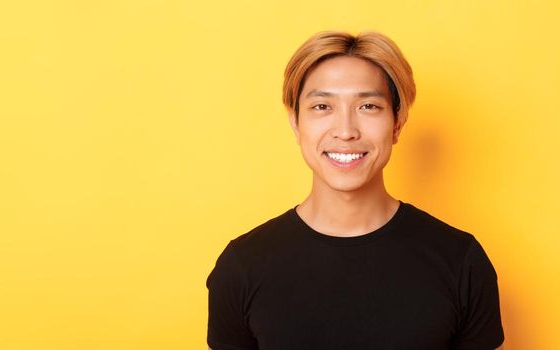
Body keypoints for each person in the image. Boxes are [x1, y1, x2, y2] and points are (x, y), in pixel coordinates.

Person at [206, 31, 504, 350]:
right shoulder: (242, 268)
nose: (346, 131)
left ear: (397, 123)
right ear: (295, 123)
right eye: (322, 106)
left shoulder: (461, 262)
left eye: (368, 106)